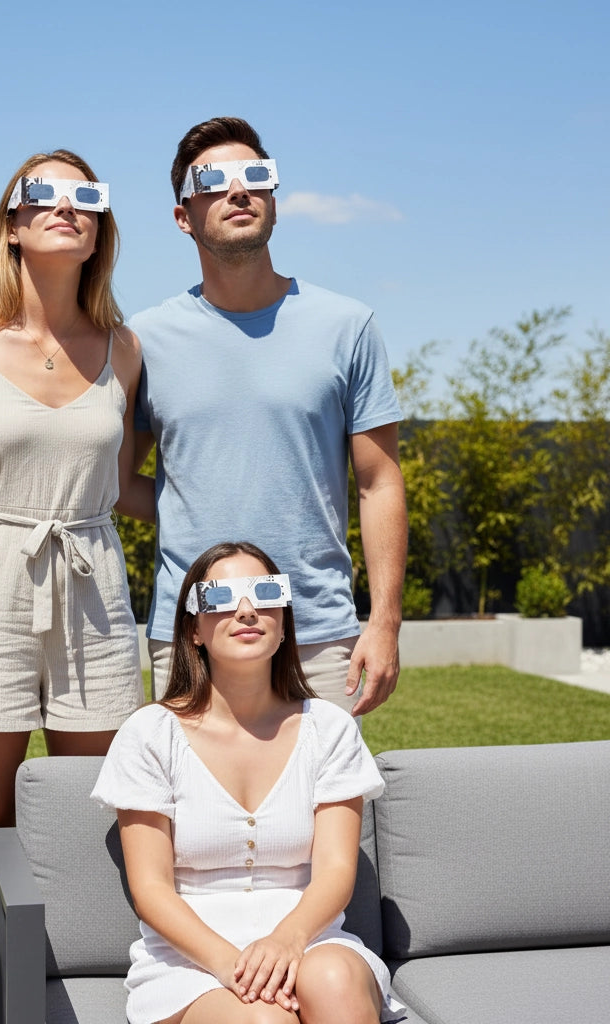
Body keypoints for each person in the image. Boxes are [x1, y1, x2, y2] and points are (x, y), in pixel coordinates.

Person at [0, 150, 150, 1024]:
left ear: (100, 226)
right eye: (40, 195)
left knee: (106, 833)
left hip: (94, 589)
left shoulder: (125, 348)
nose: (65, 207)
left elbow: (127, 485)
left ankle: (99, 1009)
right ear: (11, 222)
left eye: (84, 196)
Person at [131, 116, 407, 715]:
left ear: (275, 204)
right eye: (213, 181)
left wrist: (384, 623)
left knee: (325, 807)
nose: (238, 190)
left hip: (316, 631)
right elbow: (112, 476)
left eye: (256, 176)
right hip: (191, 631)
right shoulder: (144, 340)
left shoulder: (347, 326)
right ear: (183, 216)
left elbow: (380, 481)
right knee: (186, 807)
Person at [91, 541, 404, 1024]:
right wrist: (233, 967)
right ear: (193, 627)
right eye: (219, 597)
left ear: (283, 622)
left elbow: (337, 870)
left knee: (335, 982)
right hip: (192, 961)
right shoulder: (149, 735)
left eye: (264, 593)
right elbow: (151, 887)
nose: (246, 610)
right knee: (263, 1019)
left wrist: (287, 940)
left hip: (310, 940)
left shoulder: (329, 729)